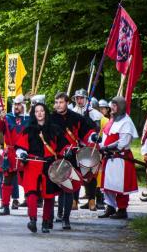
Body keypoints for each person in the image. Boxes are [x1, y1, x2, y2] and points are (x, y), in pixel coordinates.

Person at [16, 102, 69, 233]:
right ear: (34, 114)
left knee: (49, 195)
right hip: (32, 164)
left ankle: (46, 222)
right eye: (36, 111)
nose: (39, 113)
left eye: (42, 110)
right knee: (31, 193)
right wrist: (22, 154)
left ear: (45, 112)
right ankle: (32, 220)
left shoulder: (54, 129)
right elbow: (20, 147)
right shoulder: (28, 129)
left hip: (49, 165)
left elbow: (64, 145)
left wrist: (67, 151)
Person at [51, 92, 99, 228]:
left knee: (68, 188)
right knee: (55, 188)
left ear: (67, 103)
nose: (58, 105)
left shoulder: (77, 118)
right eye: (56, 102)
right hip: (55, 156)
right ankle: (55, 215)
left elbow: (87, 132)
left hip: (72, 156)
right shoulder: (51, 118)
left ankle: (65, 218)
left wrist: (93, 137)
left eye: (60, 102)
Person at [98, 97, 139, 219]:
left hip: (121, 158)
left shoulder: (126, 122)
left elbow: (123, 143)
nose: (112, 108)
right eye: (112, 105)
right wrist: (99, 142)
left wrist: (107, 148)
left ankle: (122, 209)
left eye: (115, 106)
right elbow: (106, 137)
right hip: (109, 158)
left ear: (120, 107)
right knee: (108, 185)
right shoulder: (112, 120)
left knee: (120, 186)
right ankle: (110, 207)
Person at [0, 95, 29, 215]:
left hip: (24, 152)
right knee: (7, 179)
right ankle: (5, 205)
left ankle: (31, 204)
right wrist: (1, 119)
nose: (16, 106)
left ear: (23, 105)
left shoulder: (29, 119)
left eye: (19, 104)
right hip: (10, 152)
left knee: (28, 180)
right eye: (15, 104)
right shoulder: (7, 117)